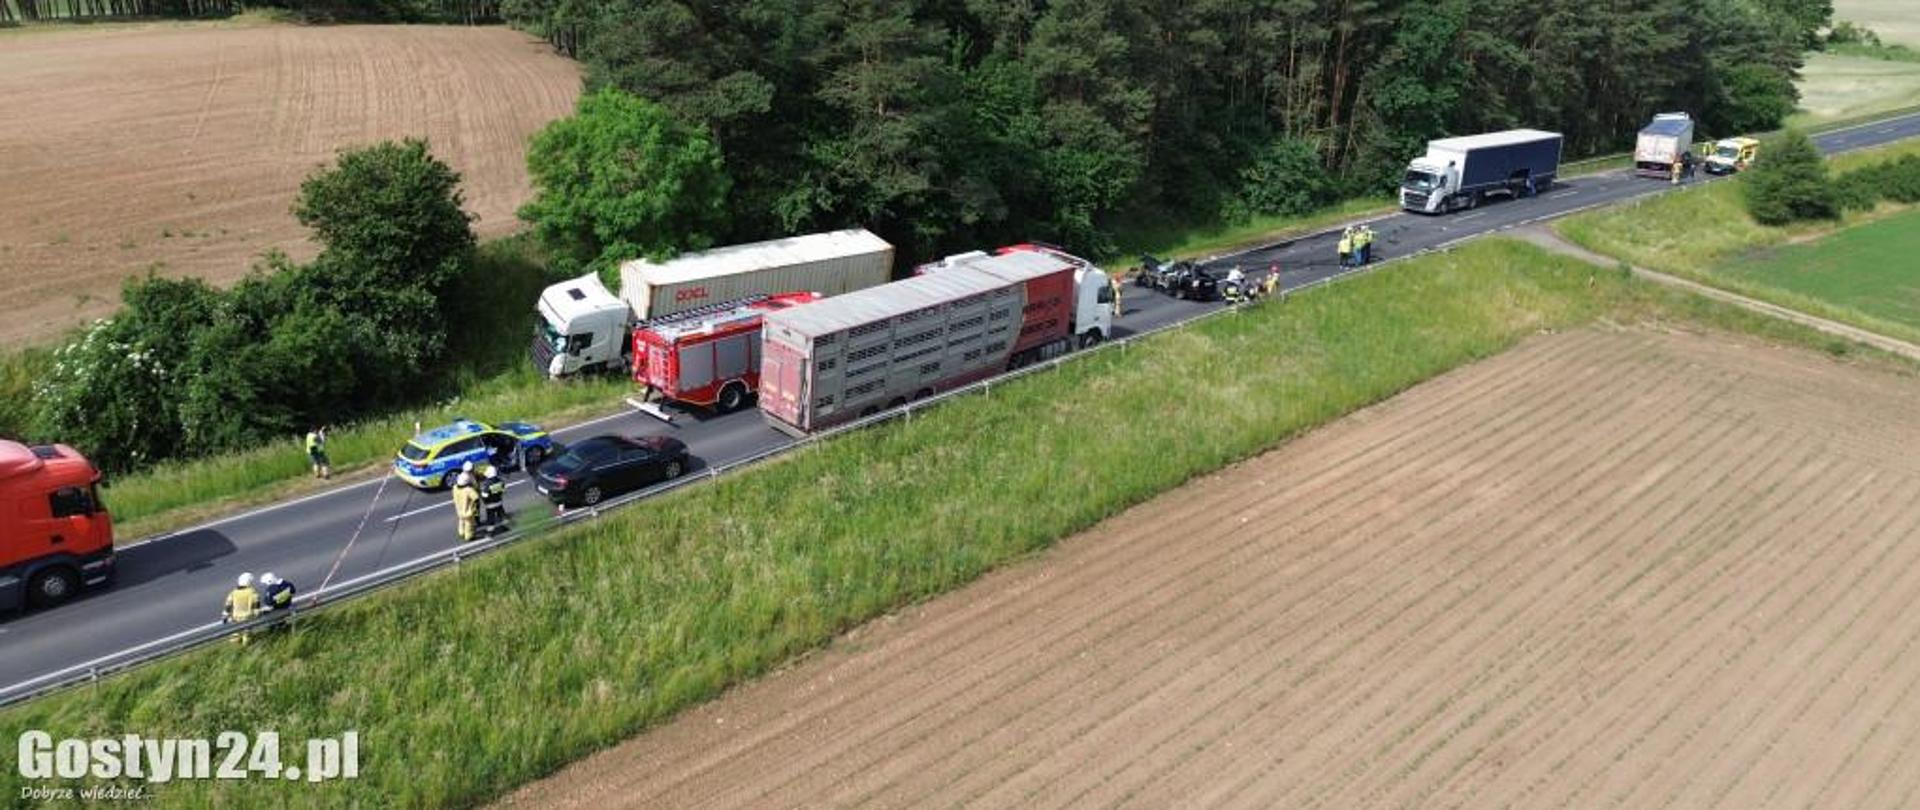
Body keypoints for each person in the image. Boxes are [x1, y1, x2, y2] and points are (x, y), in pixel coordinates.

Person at [222, 572, 262, 645]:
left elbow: (228, 605)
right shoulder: (252, 592)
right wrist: (257, 615)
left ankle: (236, 646)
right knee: (247, 634)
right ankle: (246, 647)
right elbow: (256, 606)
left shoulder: (233, 592)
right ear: (249, 582)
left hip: (235, 617)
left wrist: (225, 616)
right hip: (247, 617)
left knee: (235, 633)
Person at [452, 471, 481, 542]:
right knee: (469, 524)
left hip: (459, 509)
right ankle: (469, 536)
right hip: (467, 511)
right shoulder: (468, 490)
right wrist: (476, 509)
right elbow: (476, 498)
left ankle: (461, 533)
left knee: (461, 521)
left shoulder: (455, 487)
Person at [480, 463, 508, 533]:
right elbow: (503, 491)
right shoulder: (500, 481)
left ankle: (490, 532)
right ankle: (505, 528)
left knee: (490, 519)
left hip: (490, 505)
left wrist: (484, 500)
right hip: (499, 502)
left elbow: (484, 495)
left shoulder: (487, 484)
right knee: (501, 515)